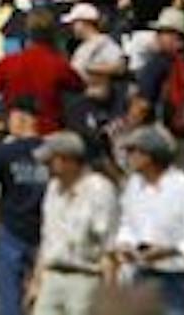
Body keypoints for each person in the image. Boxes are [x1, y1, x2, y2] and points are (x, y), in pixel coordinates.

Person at [109, 126, 184, 315]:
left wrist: (171, 251)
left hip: (177, 280)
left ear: (150, 156)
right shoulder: (133, 186)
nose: (128, 157)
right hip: (142, 275)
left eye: (133, 152)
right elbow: (127, 223)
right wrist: (125, 244)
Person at [26, 131, 116, 315]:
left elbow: (109, 246)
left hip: (85, 278)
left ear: (68, 160)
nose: (46, 166)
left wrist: (110, 294)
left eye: (51, 161)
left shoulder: (99, 189)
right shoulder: (52, 189)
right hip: (52, 276)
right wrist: (36, 282)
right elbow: (47, 238)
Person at [0, 99, 48, 315]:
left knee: (8, 298)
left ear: (20, 118)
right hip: (46, 231)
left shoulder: (5, 152)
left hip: (12, 230)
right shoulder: (52, 152)